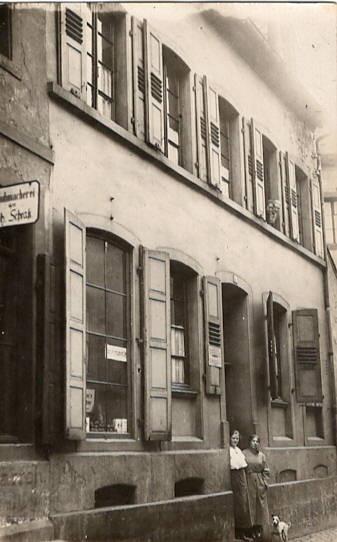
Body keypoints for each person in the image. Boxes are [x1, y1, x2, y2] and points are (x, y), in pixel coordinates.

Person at [243, 435, 270, 541]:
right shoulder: (244, 453)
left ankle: (258, 528)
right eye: (253, 441)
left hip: (259, 482)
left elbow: (266, 470)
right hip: (248, 480)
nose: (255, 443)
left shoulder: (262, 455)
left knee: (260, 506)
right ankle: (250, 530)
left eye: (256, 441)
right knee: (250, 505)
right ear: (249, 442)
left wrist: (264, 482)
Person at [229, 430, 253, 541]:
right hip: (235, 477)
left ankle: (245, 530)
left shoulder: (238, 450)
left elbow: (243, 465)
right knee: (239, 504)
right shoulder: (228, 451)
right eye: (233, 438)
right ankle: (239, 532)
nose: (235, 440)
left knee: (244, 503)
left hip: (242, 476)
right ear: (230, 438)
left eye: (237, 439)